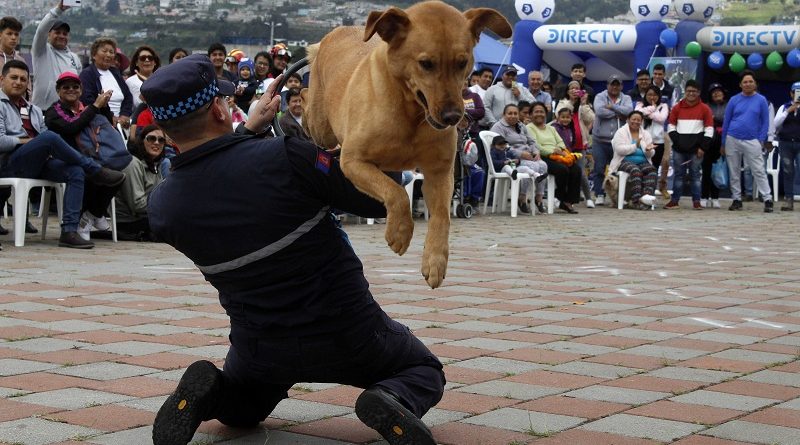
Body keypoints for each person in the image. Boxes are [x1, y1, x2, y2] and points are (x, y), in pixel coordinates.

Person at [142, 54, 443, 445]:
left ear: (164, 132)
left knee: (244, 410)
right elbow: (377, 198)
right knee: (424, 369)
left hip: (261, 346)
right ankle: (389, 395)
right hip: (349, 331)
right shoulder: (287, 157)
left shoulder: (163, 206)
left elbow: (219, 179)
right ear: (219, 108)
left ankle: (213, 393)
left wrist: (248, 132)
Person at [0, 60, 125, 248]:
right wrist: (30, 142)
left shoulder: (33, 109)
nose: (19, 82)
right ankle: (94, 169)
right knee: (50, 137)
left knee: (75, 170)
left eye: (23, 79)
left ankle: (69, 231)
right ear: (2, 79)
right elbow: (1, 141)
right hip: (10, 161)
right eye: (14, 78)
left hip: (39, 162)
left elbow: (42, 135)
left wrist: (39, 144)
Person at [44, 71, 128, 240]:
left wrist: (104, 107)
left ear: (81, 90)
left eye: (75, 86)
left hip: (94, 157)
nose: (71, 89)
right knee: (86, 171)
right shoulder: (54, 111)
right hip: (65, 161)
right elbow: (71, 127)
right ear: (58, 91)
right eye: (65, 87)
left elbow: (106, 126)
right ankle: (82, 221)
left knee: (119, 176)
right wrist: (95, 107)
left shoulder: (87, 107)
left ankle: (91, 215)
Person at [721, 70, 773, 212]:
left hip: (752, 140)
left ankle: (768, 199)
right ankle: (736, 199)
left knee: (758, 170)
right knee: (734, 171)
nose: (748, 84)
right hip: (732, 138)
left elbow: (765, 122)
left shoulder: (761, 100)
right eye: (745, 82)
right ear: (740, 85)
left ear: (755, 84)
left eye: (751, 81)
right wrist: (723, 142)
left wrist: (761, 139)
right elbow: (726, 121)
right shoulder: (734, 100)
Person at [490, 103, 547, 213]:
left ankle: (539, 197)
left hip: (528, 155)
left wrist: (536, 151)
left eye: (515, 113)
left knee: (543, 165)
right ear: (504, 114)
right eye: (510, 113)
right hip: (512, 159)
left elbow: (531, 141)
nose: (513, 116)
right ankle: (522, 197)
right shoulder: (498, 127)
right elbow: (502, 147)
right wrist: (520, 154)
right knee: (532, 165)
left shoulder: (521, 125)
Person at [665, 79, 713, 210]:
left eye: (694, 91)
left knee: (695, 176)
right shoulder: (676, 108)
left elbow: (709, 130)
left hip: (696, 150)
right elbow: (671, 127)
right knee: (679, 175)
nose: (691, 93)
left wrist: (703, 147)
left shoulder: (705, 109)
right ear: (684, 92)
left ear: (699, 93)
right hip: (678, 150)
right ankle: (674, 201)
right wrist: (678, 143)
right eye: (688, 91)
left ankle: (696, 202)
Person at [528, 102, 581, 213]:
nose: (539, 114)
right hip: (542, 157)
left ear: (546, 114)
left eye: (542, 111)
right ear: (531, 114)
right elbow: (536, 145)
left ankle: (568, 201)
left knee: (576, 169)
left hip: (559, 155)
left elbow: (561, 142)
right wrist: (552, 152)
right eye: (536, 111)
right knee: (562, 170)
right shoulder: (529, 128)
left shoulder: (551, 128)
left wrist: (561, 151)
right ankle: (559, 196)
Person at [113, 124, 165, 240]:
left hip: (146, 217)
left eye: (161, 140)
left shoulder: (155, 165)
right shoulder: (133, 164)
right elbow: (137, 205)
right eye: (151, 138)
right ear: (142, 141)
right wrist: (165, 207)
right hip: (127, 221)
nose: (156, 143)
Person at [31, 1, 83, 111]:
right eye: (57, 32)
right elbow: (41, 31)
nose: (61, 36)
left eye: (65, 34)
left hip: (68, 113)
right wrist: (59, 9)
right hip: (42, 111)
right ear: (48, 34)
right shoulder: (41, 50)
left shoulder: (74, 58)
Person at [591, 74, 633, 205]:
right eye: (612, 84)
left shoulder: (626, 98)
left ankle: (619, 196)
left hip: (618, 142)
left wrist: (613, 107)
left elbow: (629, 111)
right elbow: (599, 111)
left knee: (619, 170)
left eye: (617, 84)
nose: (614, 87)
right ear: (607, 85)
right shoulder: (600, 96)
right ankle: (599, 194)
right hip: (600, 140)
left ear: (621, 86)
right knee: (599, 168)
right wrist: (618, 113)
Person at [555, 80, 595, 207]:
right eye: (572, 88)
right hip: (565, 143)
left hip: (580, 142)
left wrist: (584, 104)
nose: (574, 91)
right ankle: (561, 198)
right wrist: (571, 102)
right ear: (567, 91)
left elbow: (591, 119)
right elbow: (559, 114)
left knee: (581, 172)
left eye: (577, 88)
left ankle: (588, 197)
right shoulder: (563, 103)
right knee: (565, 171)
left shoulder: (584, 105)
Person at [79, 37, 133, 130]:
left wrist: (124, 115)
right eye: (104, 51)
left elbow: (128, 97)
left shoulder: (116, 73)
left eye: (111, 52)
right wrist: (110, 117)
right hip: (100, 123)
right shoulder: (87, 74)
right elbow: (88, 101)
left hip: (121, 124)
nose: (108, 54)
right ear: (94, 55)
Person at [611, 111, 658, 210]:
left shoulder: (645, 134)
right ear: (628, 120)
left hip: (643, 162)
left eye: (638, 120)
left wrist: (649, 150)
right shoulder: (621, 132)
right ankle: (636, 201)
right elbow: (619, 149)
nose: (636, 122)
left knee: (652, 170)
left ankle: (645, 198)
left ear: (642, 121)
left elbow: (651, 153)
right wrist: (635, 146)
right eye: (633, 119)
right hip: (623, 161)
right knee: (635, 170)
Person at [773, 81, 800, 211]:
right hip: (786, 143)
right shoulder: (784, 107)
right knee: (788, 171)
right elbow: (775, 124)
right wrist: (788, 111)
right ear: (791, 93)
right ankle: (789, 200)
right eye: (796, 92)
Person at [702, 83, 727, 208]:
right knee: (706, 170)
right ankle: (704, 196)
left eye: (719, 91)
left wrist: (715, 119)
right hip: (708, 141)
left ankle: (716, 197)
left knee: (718, 170)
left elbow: (728, 120)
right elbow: (705, 121)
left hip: (722, 142)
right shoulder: (706, 106)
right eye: (714, 92)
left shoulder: (728, 106)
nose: (717, 94)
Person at [635, 85, 669, 177]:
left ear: (659, 96)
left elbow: (661, 118)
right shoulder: (640, 104)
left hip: (658, 143)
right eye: (649, 94)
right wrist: (652, 108)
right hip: (642, 142)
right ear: (645, 95)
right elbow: (638, 114)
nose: (652, 97)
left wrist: (648, 114)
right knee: (640, 169)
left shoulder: (663, 106)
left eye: (655, 95)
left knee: (654, 169)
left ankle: (651, 190)